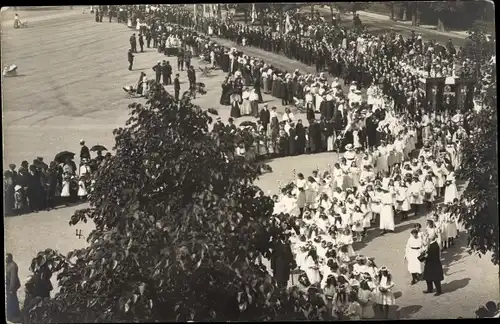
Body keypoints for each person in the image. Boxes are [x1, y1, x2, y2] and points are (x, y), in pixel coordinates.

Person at [422, 219, 444, 296]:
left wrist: (426, 254)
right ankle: (429, 289)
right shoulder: (428, 242)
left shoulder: (435, 245)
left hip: (434, 263)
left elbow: (434, 255)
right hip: (429, 262)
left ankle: (439, 290)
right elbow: (424, 240)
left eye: (427, 224)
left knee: (435, 277)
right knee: (428, 276)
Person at [6, 253, 21, 322]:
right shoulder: (8, 264)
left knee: (11, 300)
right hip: (10, 285)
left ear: (10, 258)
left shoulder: (12, 266)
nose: (5, 259)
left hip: (12, 286)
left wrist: (11, 289)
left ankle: (12, 316)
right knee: (13, 300)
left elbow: (13, 278)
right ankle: (14, 315)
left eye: (7, 257)